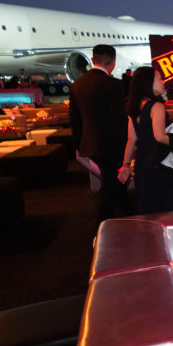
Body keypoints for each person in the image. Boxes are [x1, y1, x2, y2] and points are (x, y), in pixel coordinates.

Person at [70, 44, 129, 231]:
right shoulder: (113, 84)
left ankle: (130, 214)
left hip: (91, 145)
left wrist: (81, 145)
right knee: (109, 186)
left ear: (93, 60)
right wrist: (129, 144)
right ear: (113, 62)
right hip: (111, 145)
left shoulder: (77, 85)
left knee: (114, 182)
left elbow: (74, 119)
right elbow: (119, 118)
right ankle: (102, 227)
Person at [119, 66, 173, 214]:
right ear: (148, 82)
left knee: (148, 205)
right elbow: (160, 136)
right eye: (159, 78)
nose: (163, 81)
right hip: (160, 161)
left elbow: (131, 139)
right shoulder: (157, 106)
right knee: (169, 206)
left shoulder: (135, 106)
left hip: (143, 161)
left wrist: (126, 165)